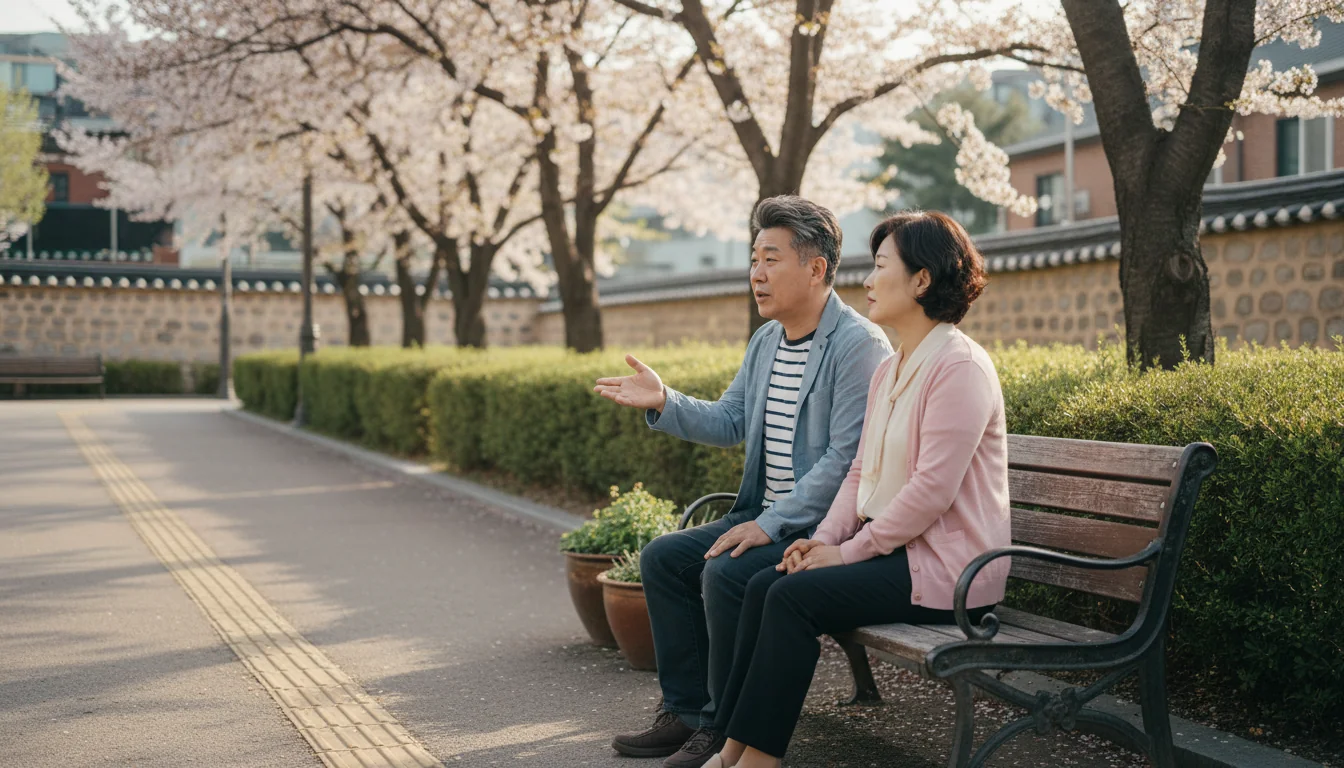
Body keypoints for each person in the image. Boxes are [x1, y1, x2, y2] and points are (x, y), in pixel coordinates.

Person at [704, 211, 1012, 768]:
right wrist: (817, 542)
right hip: (901, 556)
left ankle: (757, 761)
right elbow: (856, 474)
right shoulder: (891, 370)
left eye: (879, 267)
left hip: (952, 572)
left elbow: (931, 494)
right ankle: (731, 748)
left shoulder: (959, 366)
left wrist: (845, 553)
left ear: (921, 280)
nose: (866, 281)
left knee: (792, 598)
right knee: (767, 582)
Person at [594, 196, 891, 768]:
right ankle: (687, 712)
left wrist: (768, 524)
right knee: (663, 558)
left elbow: (842, 460)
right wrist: (665, 400)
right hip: (762, 512)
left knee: (725, 572)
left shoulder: (858, 346)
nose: (756, 273)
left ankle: (724, 729)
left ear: (816, 267)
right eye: (753, 258)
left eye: (771, 258)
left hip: (814, 529)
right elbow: (732, 419)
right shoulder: (767, 341)